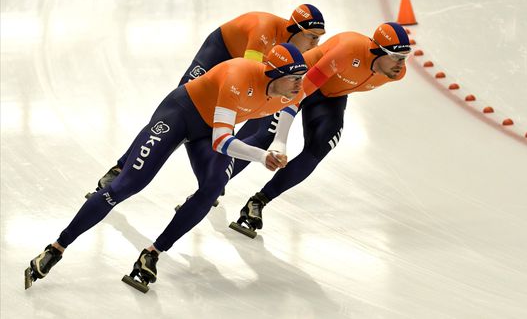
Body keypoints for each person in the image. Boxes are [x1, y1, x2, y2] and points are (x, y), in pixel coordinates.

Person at [25, 43, 317, 292]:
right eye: (294, 78)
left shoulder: (291, 89)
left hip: (210, 127)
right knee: (127, 185)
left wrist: (278, 145)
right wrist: (261, 156)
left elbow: (290, 110)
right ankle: (56, 248)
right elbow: (222, 141)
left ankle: (152, 253)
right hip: (181, 113)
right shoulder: (239, 75)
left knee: (213, 186)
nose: (298, 84)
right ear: (274, 74)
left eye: (301, 77)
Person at [95, 4, 326, 191]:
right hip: (219, 54)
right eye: (312, 37)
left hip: (239, 71)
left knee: (234, 118)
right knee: (174, 116)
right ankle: (122, 167)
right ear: (294, 29)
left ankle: (212, 176)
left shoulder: (294, 52)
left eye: (318, 39)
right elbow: (250, 78)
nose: (315, 44)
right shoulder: (264, 31)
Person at [228, 22, 411, 238]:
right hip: (298, 81)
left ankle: (258, 202)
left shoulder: (396, 72)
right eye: (397, 56)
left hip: (330, 97)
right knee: (265, 135)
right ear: (377, 51)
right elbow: (301, 91)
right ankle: (214, 183)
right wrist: (281, 139)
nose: (401, 64)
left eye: (405, 56)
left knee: (321, 145)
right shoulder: (349, 51)